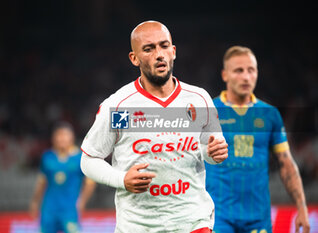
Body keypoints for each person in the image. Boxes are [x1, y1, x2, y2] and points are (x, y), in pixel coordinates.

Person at [80, 20, 228, 233]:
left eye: (164, 46)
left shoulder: (198, 98)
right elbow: (89, 159)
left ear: (173, 51)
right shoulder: (119, 107)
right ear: (134, 58)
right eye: (149, 49)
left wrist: (216, 153)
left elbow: (209, 152)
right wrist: (121, 179)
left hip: (192, 222)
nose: (159, 54)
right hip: (138, 226)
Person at [205, 45, 310, 233]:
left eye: (251, 70)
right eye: (239, 70)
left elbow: (286, 163)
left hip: (258, 218)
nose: (246, 76)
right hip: (218, 217)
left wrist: (302, 208)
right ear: (225, 75)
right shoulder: (208, 111)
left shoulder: (270, 114)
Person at [29, 122, 96, 233]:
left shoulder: (80, 158)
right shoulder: (47, 157)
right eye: (59, 135)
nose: (62, 138)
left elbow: (90, 183)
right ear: (53, 138)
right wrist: (35, 201)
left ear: (72, 137)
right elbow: (41, 182)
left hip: (69, 210)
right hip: (48, 209)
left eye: (65, 135)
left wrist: (82, 202)